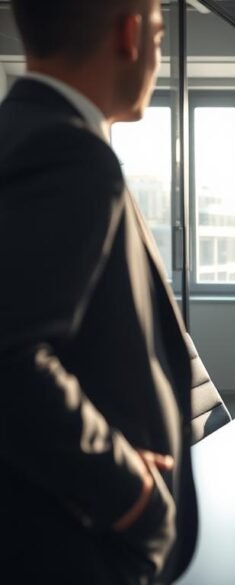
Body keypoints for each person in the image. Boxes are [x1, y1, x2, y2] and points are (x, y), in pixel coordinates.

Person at [0, 0, 197, 582]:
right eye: (161, 37)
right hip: (78, 541)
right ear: (131, 35)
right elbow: (10, 357)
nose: (158, 58)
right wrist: (134, 495)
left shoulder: (20, 133)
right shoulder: (68, 152)